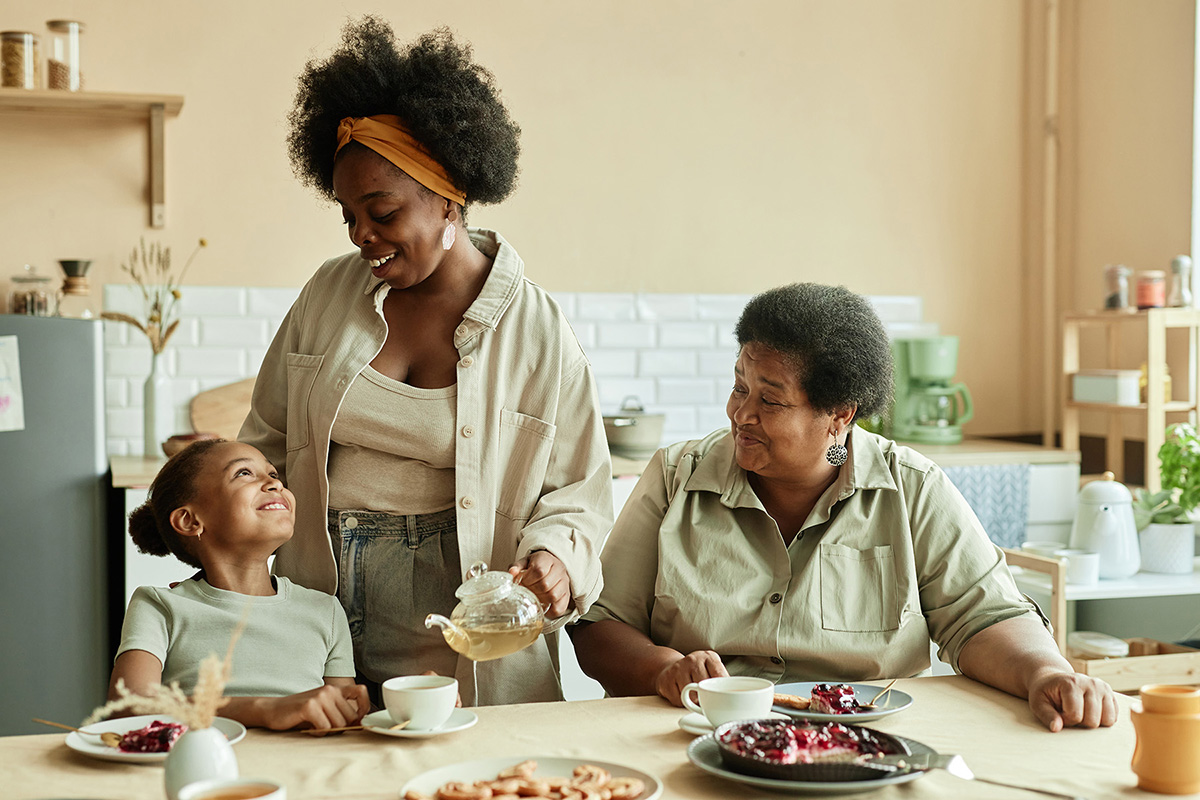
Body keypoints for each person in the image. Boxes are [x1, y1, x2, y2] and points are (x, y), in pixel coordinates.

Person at [240, 18, 611, 706]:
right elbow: (264, 439)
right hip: (322, 603)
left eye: (380, 210)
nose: (361, 236)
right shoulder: (328, 294)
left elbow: (580, 493)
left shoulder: (536, 329)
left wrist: (557, 556)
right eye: (347, 215)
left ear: (449, 195)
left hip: (470, 618)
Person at [572, 283, 1118, 733]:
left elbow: (984, 615)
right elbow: (600, 624)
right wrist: (665, 669)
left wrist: (1045, 672)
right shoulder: (676, 477)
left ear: (839, 415)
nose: (742, 414)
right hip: (698, 734)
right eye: (740, 387)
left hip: (868, 741)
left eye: (771, 400)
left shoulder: (911, 488)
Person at [111, 439, 370, 731]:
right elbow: (131, 709)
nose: (275, 484)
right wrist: (264, 709)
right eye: (243, 473)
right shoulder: (158, 606)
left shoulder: (325, 610)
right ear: (189, 520)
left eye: (273, 474)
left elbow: (343, 718)